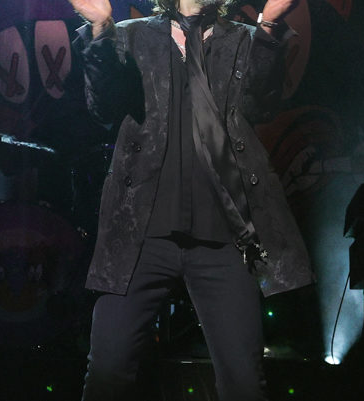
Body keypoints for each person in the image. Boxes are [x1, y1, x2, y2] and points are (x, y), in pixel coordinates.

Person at [69, 0, 314, 398]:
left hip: (226, 236)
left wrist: (269, 25)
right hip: (141, 234)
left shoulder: (244, 39)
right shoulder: (132, 36)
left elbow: (262, 106)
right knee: (108, 370)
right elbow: (104, 106)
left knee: (244, 382)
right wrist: (99, 29)